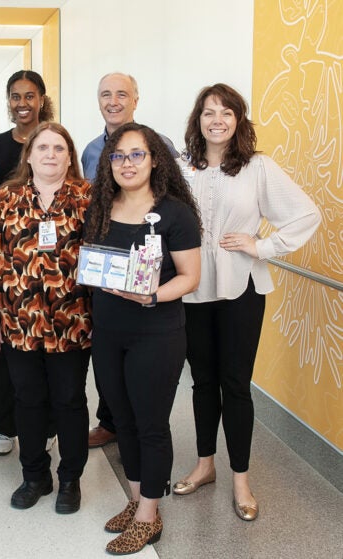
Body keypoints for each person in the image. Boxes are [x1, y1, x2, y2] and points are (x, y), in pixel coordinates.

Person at [174, 83, 321, 521]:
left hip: (243, 288)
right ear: (197, 121)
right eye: (208, 112)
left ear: (238, 120)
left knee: (235, 384)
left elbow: (306, 213)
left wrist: (262, 246)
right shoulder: (182, 168)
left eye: (226, 112)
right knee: (201, 381)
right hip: (194, 288)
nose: (216, 120)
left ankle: (241, 478)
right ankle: (205, 465)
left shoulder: (258, 167)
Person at [83, 123, 202, 554]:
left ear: (155, 159)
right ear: (108, 163)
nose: (127, 163)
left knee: (151, 424)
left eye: (137, 155)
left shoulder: (174, 213)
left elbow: (190, 277)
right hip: (109, 333)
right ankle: (136, 500)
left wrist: (149, 294)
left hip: (157, 333)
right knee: (124, 420)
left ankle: (150, 515)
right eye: (118, 156)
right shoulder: (100, 208)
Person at [0, 122, 92, 514]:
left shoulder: (87, 199)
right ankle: (35, 475)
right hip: (19, 323)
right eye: (43, 147)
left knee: (69, 400)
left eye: (59, 148)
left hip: (73, 323)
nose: (51, 154)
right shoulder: (6, 198)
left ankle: (70, 479)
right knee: (27, 399)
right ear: (29, 155)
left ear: (70, 156)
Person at [80, 72, 178, 449]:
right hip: (107, 273)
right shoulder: (90, 150)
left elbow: (173, 205)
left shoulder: (159, 145)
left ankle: (141, 433)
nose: (113, 101)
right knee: (108, 358)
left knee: (145, 375)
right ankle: (114, 423)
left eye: (122, 94)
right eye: (106, 94)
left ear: (136, 99)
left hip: (149, 276)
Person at [0, 69, 55, 455]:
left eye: (29, 96)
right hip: (9, 263)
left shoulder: (53, 139)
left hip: (51, 264)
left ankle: (47, 423)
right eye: (15, 96)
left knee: (47, 350)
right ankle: (4, 426)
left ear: (41, 98)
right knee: (4, 348)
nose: (22, 103)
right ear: (7, 101)